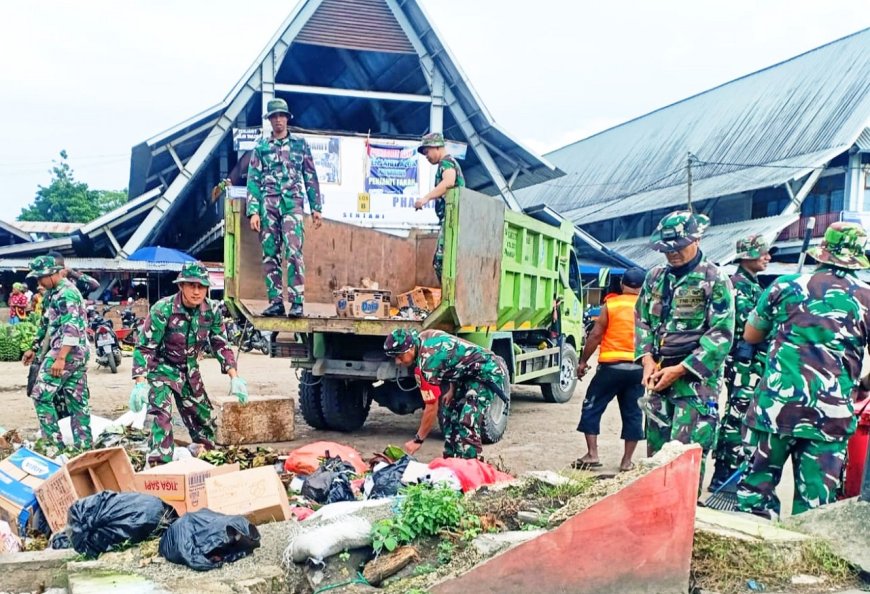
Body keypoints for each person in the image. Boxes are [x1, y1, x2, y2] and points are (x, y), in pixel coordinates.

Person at [737, 222, 870, 518]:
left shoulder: (785, 286)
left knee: (754, 500)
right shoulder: (866, 298)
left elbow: (751, 335)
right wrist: (863, 383)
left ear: (822, 253)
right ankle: (801, 562)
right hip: (830, 416)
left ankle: (754, 555)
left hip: (774, 409)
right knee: (814, 511)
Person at [635, 211, 734, 485]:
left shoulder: (715, 278)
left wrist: (680, 370)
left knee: (684, 457)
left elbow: (722, 333)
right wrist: (646, 359)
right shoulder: (655, 277)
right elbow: (642, 320)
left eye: (679, 247)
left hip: (695, 384)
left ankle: (683, 518)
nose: (673, 254)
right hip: (658, 377)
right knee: (656, 454)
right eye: (667, 249)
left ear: (697, 239)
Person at [128, 262, 248, 466]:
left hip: (190, 372)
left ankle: (207, 462)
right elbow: (145, 348)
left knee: (204, 421)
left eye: (201, 286)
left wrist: (234, 377)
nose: (196, 291)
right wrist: (140, 382)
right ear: (180, 286)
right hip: (162, 370)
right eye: (191, 285)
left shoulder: (212, 311)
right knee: (162, 417)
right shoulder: (163, 309)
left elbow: (220, 344)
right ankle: (160, 468)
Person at [246, 98, 322, 318]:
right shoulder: (261, 147)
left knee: (294, 251)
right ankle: (276, 302)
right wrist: (253, 211)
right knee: (269, 254)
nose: (278, 120)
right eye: (274, 116)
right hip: (268, 205)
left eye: (281, 116)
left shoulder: (300, 144)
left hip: (292, 205)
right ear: (269, 120)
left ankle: (297, 301)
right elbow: (254, 179)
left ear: (287, 118)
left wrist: (316, 206)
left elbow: (310, 175)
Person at [384, 329, 508, 459]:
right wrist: (452, 389)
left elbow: (431, 407)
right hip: (466, 373)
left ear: (409, 349)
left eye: (399, 356)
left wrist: (418, 440)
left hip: (487, 371)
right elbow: (452, 362)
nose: (398, 362)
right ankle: (451, 459)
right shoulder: (421, 339)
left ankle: (473, 465)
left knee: (468, 418)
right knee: (449, 413)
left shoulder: (428, 362)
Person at [709, 235, 771, 491]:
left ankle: (729, 469)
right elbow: (749, 328)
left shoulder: (751, 285)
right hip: (743, 363)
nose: (768, 257)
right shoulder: (739, 286)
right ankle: (724, 473)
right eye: (763, 253)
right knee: (738, 416)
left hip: (748, 362)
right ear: (748, 256)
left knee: (739, 415)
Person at [573, 267, 647, 472]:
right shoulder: (647, 307)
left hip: (610, 368)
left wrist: (582, 361)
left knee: (592, 406)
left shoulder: (611, 304)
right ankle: (626, 461)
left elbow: (596, 335)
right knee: (633, 414)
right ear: (643, 287)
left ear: (622, 284)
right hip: (637, 369)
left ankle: (592, 454)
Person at [21, 255, 91, 450]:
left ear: (51, 274)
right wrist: (33, 348)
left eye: (40, 278)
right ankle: (84, 447)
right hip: (70, 352)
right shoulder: (52, 294)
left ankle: (53, 445)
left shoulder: (68, 293)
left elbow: (72, 328)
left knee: (41, 395)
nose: (38, 282)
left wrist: (60, 358)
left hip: (68, 352)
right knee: (76, 400)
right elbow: (46, 323)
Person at [414, 133, 466, 283]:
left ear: (437, 147)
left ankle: (449, 299)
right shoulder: (447, 163)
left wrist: (425, 198)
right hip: (452, 218)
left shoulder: (446, 163)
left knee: (441, 261)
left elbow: (449, 182)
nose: (426, 156)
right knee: (445, 261)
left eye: (427, 152)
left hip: (453, 218)